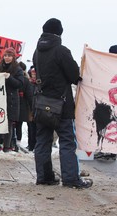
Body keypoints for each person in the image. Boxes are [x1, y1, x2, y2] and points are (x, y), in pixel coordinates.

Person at [32, 18, 93, 188]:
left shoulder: (37, 52)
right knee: (67, 141)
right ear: (59, 33)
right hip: (61, 105)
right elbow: (74, 76)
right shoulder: (61, 51)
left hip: (42, 103)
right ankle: (71, 179)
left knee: (43, 140)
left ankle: (44, 177)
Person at [0, 47, 24, 152]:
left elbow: (20, 84)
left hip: (11, 100)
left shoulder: (17, 69)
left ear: (13, 57)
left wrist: (9, 78)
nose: (7, 57)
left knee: (8, 124)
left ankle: (6, 146)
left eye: (9, 55)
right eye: (5, 55)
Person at [94, 45, 117, 161]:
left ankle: (110, 150)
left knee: (109, 126)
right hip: (110, 103)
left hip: (109, 104)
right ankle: (109, 150)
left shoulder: (107, 68)